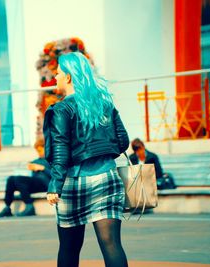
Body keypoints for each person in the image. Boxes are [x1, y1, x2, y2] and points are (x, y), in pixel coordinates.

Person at [43, 52, 129, 267]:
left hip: (74, 182)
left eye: (59, 73)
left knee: (69, 248)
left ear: (69, 78)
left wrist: (55, 185)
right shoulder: (104, 103)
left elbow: (60, 150)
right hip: (107, 178)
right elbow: (123, 141)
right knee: (112, 244)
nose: (56, 78)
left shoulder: (62, 109)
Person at [0, 139, 51, 218]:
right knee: (11, 179)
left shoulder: (52, 160)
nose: (39, 153)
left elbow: (54, 175)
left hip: (45, 183)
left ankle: (29, 206)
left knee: (19, 179)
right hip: (34, 182)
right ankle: (7, 207)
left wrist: (43, 168)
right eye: (37, 150)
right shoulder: (35, 161)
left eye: (40, 150)